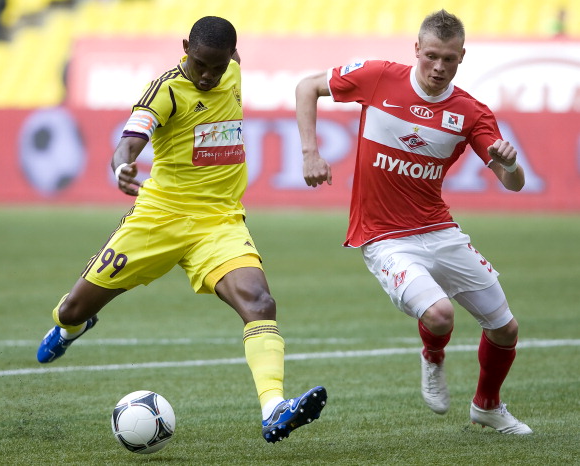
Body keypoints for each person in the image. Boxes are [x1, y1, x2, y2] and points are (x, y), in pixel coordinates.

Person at [36, 16, 326, 443]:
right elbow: (131, 138)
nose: (208, 76)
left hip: (219, 221)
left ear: (233, 56)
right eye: (200, 64)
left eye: (218, 66)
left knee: (260, 303)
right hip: (160, 218)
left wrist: (226, 63)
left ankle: (274, 409)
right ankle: (71, 328)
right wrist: (121, 165)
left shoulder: (233, 69)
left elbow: (226, 61)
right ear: (185, 46)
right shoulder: (166, 91)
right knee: (72, 309)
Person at [295, 9, 531, 434]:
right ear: (416, 50)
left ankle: (487, 406)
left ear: (462, 57)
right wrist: (310, 152)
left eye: (450, 60)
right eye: (432, 56)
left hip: (438, 229)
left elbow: (512, 184)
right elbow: (307, 86)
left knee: (505, 328)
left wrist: (510, 167)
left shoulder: (471, 113)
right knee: (440, 315)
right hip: (383, 237)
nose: (439, 67)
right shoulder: (377, 77)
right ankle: (433, 356)